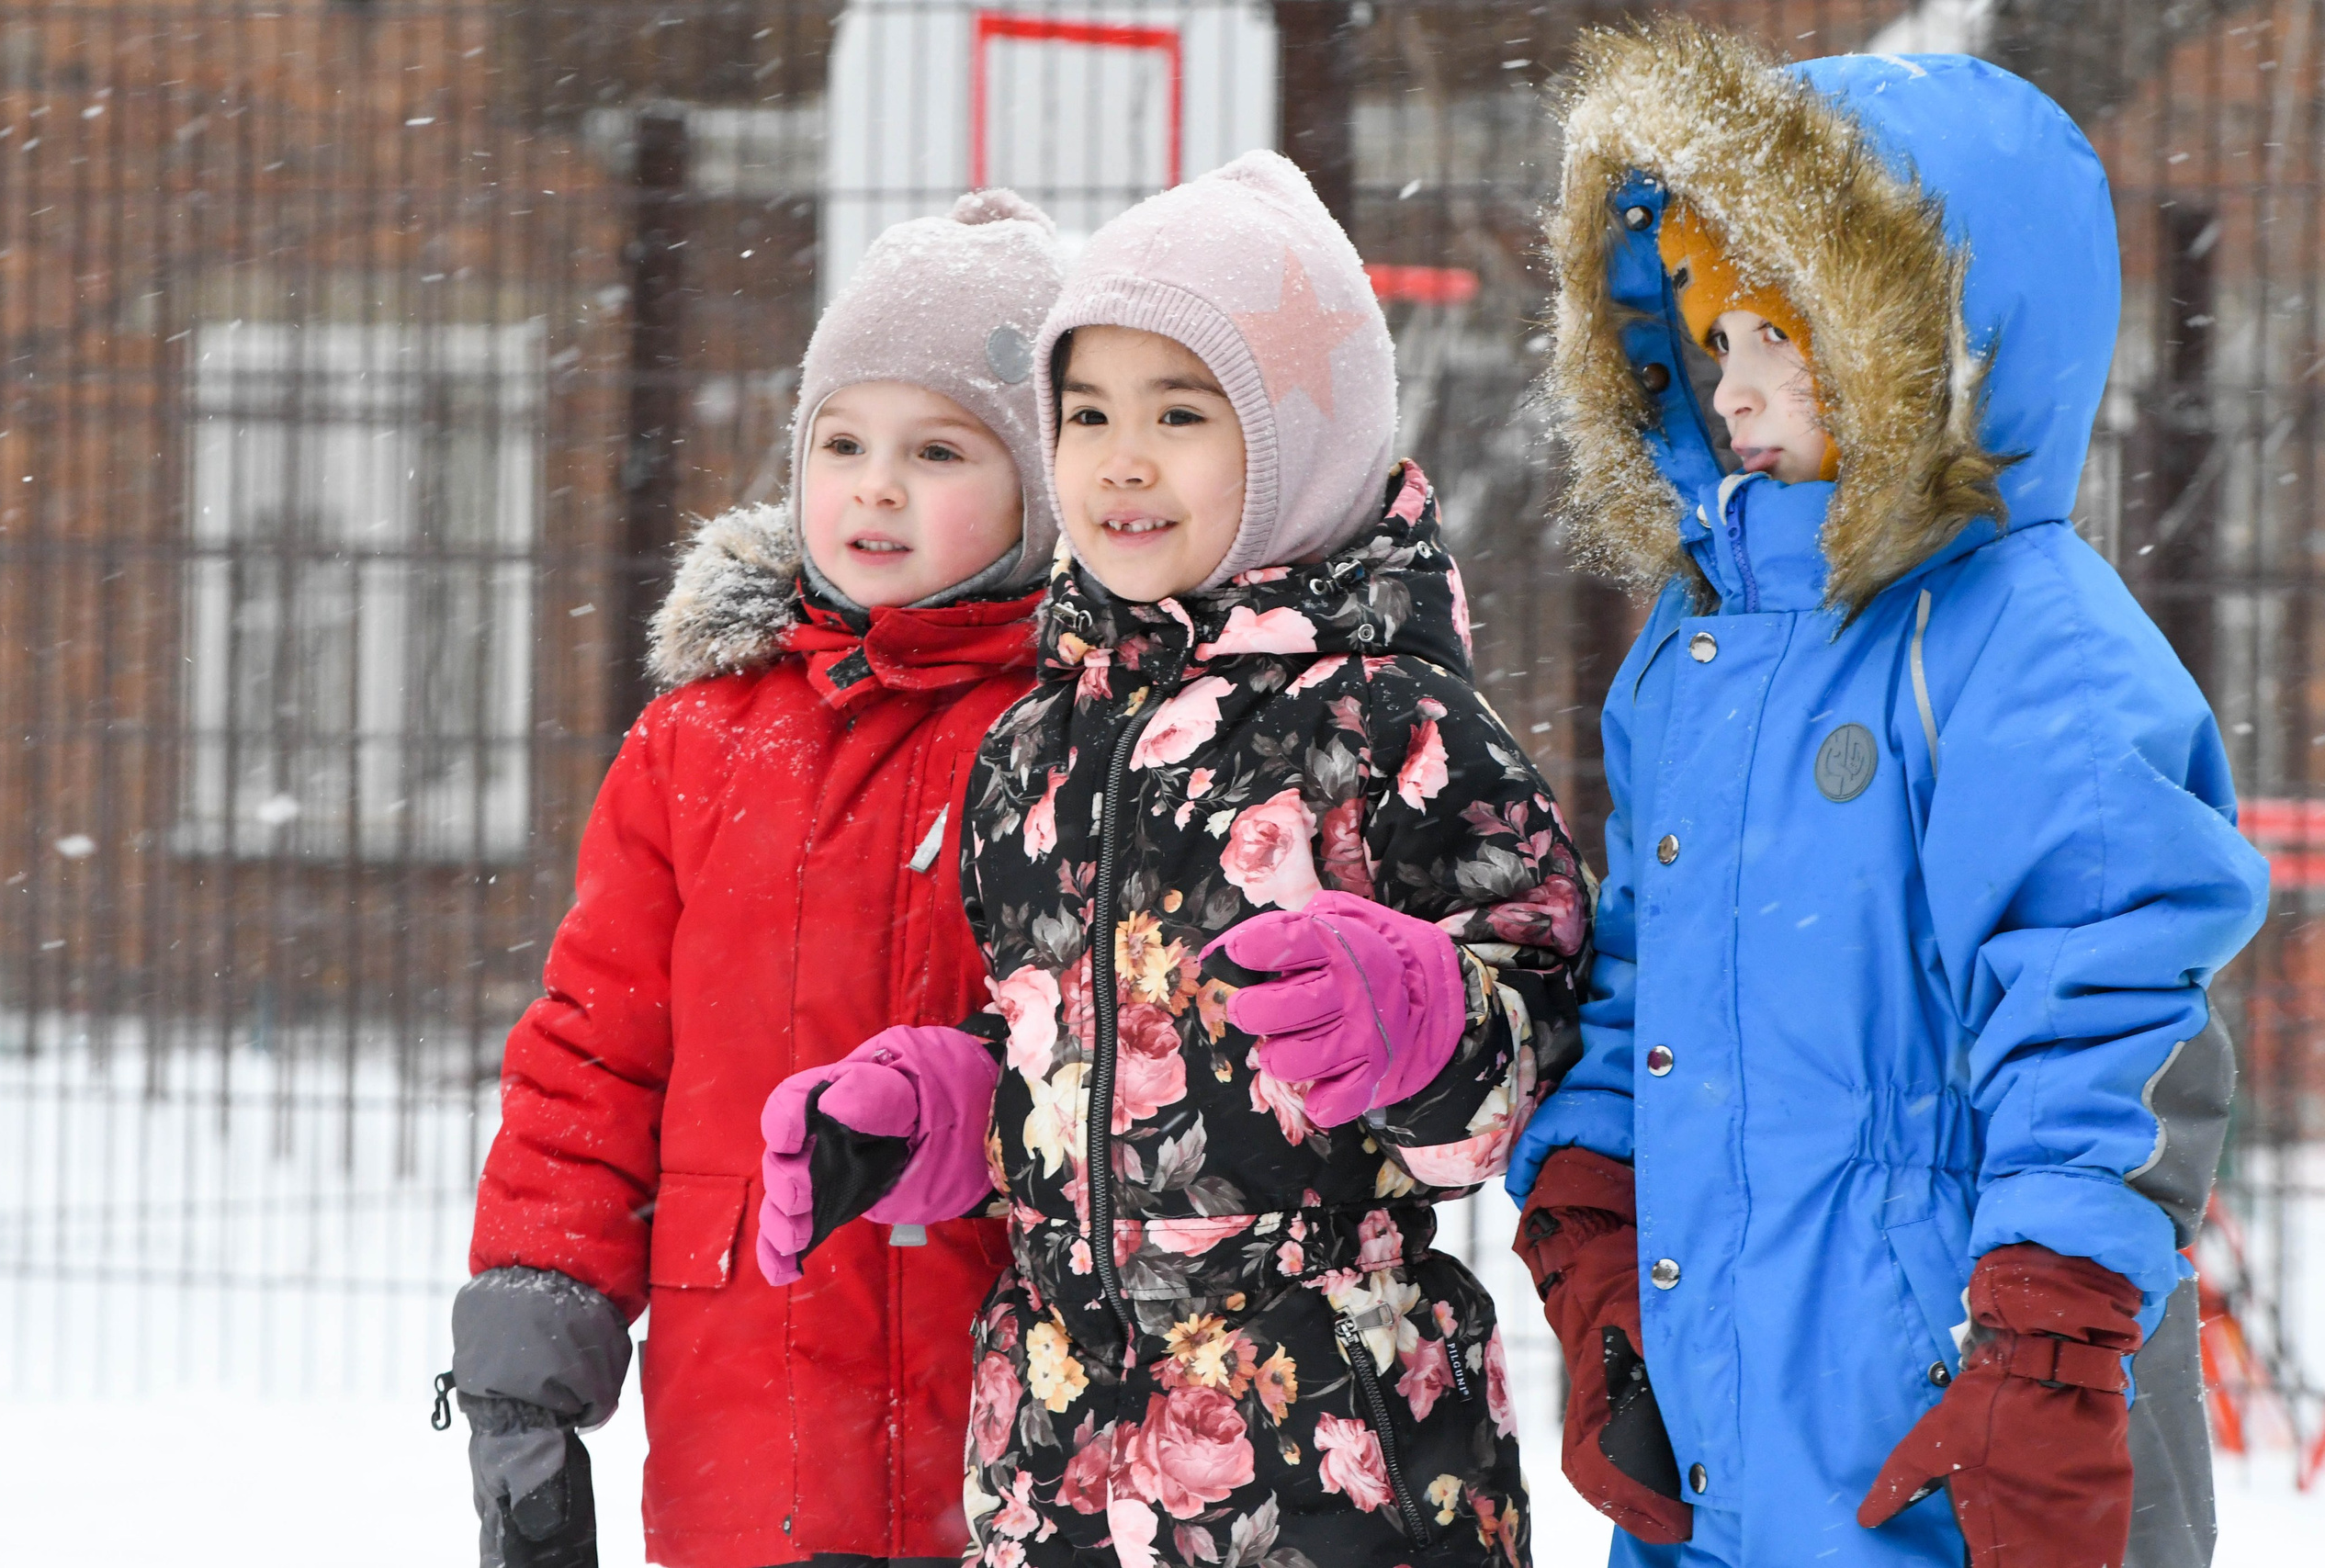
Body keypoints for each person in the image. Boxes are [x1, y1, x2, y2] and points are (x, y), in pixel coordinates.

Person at [1503, 21, 2271, 1568]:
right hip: (1722, 1399)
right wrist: (1593, 1220)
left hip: (1965, 1405)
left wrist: (2050, 1339)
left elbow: (2106, 1002)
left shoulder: (2024, 642)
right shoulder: (1702, 644)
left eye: (1786, 333)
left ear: (1926, 340)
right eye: (1712, 344)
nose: (1734, 389)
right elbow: (1646, 967)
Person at [758, 150, 1588, 1568]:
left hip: (1338, 1460)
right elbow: (1059, 1031)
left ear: (1302, 442)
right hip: (1057, 1451)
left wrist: (1436, 1020)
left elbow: (1551, 1018)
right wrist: (956, 1110)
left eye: (1180, 415)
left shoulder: (1391, 722)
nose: (1120, 460)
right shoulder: (1032, 749)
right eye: (1085, 416)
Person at [446, 191, 1066, 1568]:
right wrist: (527, 1363)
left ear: (1039, 489)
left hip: (1010, 1439)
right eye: (841, 442)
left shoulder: (1076, 735)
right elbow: (594, 1055)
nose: (876, 486)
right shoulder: (700, 743)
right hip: (751, 1442)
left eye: (940, 448)